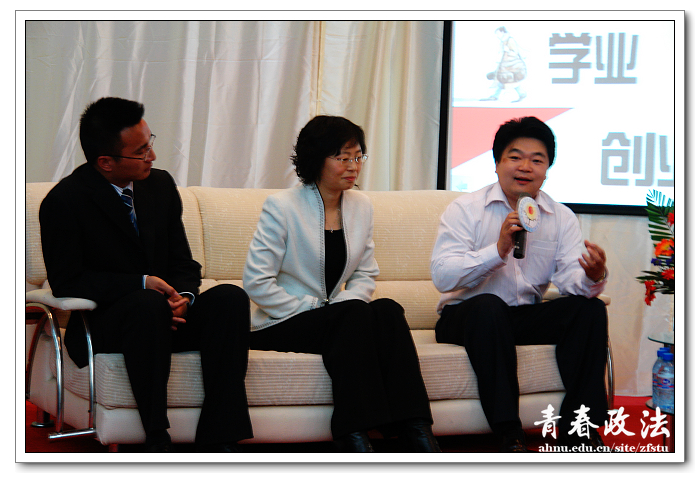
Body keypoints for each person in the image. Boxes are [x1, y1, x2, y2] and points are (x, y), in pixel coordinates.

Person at [39, 97, 253, 452]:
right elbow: (67, 282)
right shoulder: (64, 201)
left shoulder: (159, 185)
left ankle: (221, 434)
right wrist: (141, 284)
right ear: (106, 162)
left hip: (166, 318)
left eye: (150, 142)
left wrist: (184, 299)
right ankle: (156, 437)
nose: (152, 156)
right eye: (141, 151)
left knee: (231, 298)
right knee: (146, 303)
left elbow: (183, 263)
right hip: (108, 324)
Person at [243, 115, 440, 453]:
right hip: (284, 320)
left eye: (358, 157)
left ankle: (416, 428)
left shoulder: (361, 206)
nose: (353, 166)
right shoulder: (282, 206)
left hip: (339, 320)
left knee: (388, 310)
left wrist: (346, 304)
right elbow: (257, 282)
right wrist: (317, 307)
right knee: (352, 316)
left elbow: (365, 273)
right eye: (343, 157)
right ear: (316, 160)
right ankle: (353, 433)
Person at [430, 116, 609, 452]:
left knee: (590, 310)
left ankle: (579, 431)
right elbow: (442, 276)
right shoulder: (466, 209)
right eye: (515, 157)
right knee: (489, 307)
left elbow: (571, 283)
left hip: (520, 317)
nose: (525, 167)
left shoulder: (560, 217)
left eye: (537, 160)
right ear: (497, 163)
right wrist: (496, 251)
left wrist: (592, 275)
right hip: (466, 317)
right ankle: (509, 435)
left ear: (547, 170)